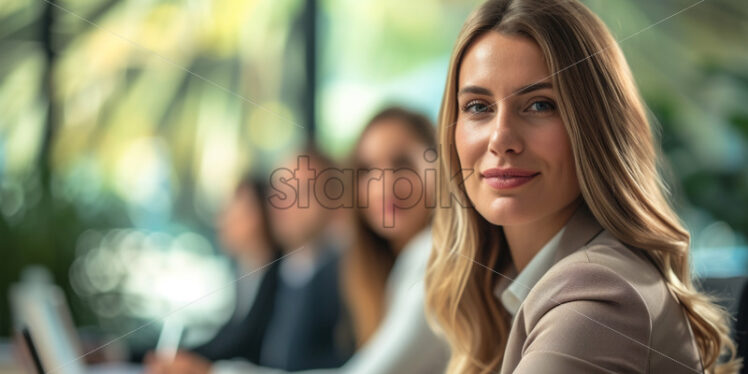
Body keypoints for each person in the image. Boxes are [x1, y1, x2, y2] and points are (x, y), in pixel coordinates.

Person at [424, 0, 741, 373]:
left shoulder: (599, 296)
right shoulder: (515, 288)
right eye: (478, 106)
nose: (501, 138)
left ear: (597, 128)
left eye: (540, 105)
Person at [146, 147, 354, 374]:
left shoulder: (342, 276)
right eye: (280, 192)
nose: (282, 205)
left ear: (336, 200)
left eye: (300, 192)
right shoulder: (291, 271)